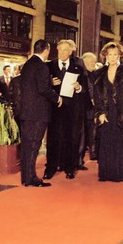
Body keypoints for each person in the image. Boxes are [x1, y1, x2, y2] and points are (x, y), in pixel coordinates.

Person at [16, 40, 61, 188]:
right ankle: (31, 178)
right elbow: (43, 89)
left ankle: (26, 177)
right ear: (46, 50)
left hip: (26, 111)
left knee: (27, 145)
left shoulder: (27, 65)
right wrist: (57, 97)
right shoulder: (42, 66)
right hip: (37, 112)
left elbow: (32, 86)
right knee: (34, 145)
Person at [93, 42, 123, 183]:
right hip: (106, 112)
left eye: (115, 54)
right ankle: (106, 173)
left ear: (119, 55)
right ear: (105, 56)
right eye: (110, 54)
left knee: (121, 141)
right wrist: (100, 112)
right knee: (106, 141)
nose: (112, 57)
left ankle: (120, 173)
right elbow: (96, 95)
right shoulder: (100, 73)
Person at [44, 39, 86, 180]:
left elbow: (85, 88)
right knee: (53, 139)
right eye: (60, 50)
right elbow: (41, 86)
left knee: (71, 139)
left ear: (70, 52)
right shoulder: (48, 66)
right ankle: (50, 168)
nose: (62, 53)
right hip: (54, 109)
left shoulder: (78, 67)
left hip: (72, 109)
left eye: (65, 50)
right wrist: (49, 83)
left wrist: (79, 88)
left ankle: (70, 168)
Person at [78, 52, 99, 167]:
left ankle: (94, 153)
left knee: (93, 132)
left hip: (92, 109)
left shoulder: (94, 74)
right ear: (84, 62)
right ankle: (79, 160)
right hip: (83, 108)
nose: (94, 64)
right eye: (92, 62)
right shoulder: (81, 75)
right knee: (82, 135)